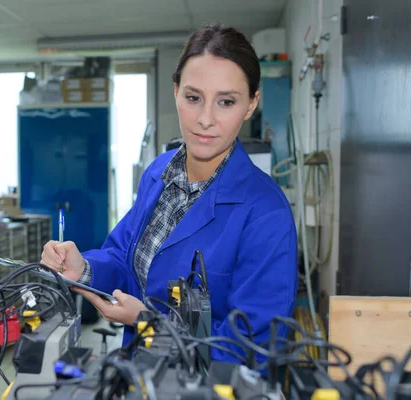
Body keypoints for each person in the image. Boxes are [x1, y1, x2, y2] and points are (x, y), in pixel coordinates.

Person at [41, 24, 298, 363]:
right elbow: (123, 257)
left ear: (251, 105)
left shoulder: (266, 212)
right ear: (175, 91)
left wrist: (148, 324)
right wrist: (83, 269)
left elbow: (255, 346)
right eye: (193, 98)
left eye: (226, 102)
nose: (205, 119)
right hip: (141, 371)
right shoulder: (158, 174)